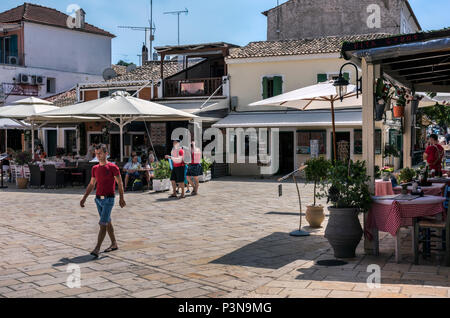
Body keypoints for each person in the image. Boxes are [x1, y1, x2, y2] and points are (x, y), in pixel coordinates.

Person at [80, 144, 126, 258]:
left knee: (103, 223)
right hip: (98, 200)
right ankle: (114, 243)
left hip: (109, 199)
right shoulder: (94, 168)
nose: (98, 155)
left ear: (106, 153)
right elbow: (92, 184)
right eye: (96, 153)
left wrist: (121, 198)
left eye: (100, 153)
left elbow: (120, 183)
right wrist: (84, 197)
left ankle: (97, 248)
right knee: (107, 221)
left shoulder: (113, 167)